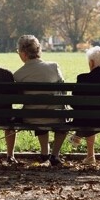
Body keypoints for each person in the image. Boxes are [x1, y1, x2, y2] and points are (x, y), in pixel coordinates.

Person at [13, 34, 67, 167]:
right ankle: (54, 155)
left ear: (24, 54)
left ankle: (44, 153)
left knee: (37, 110)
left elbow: (18, 96)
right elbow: (63, 90)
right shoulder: (54, 67)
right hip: (56, 117)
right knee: (61, 114)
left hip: (32, 118)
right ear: (38, 50)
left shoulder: (18, 74)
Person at [70, 46, 100, 165]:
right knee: (91, 113)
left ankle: (79, 137)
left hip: (86, 119)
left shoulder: (82, 78)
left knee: (87, 113)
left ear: (91, 63)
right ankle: (88, 153)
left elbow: (74, 102)